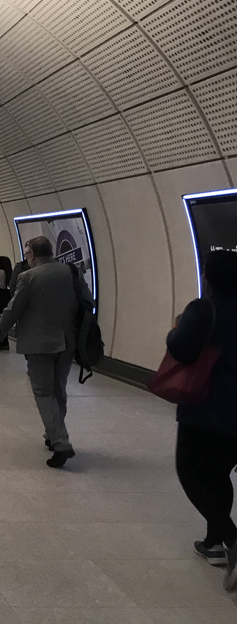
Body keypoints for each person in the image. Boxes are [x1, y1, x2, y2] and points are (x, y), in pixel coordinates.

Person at [167, 250, 237, 587]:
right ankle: (214, 543)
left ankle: (232, 540)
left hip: (207, 407)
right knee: (219, 473)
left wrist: (177, 329)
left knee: (190, 471)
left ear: (208, 277)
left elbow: (180, 348)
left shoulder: (203, 309)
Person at [0, 236, 84, 468]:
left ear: (32, 255)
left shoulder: (29, 277)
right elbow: (86, 301)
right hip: (67, 341)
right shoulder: (70, 272)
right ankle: (52, 434)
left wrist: (1, 330)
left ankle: (61, 442)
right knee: (59, 390)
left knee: (44, 393)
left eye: (27, 255)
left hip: (39, 345)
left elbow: (14, 307)